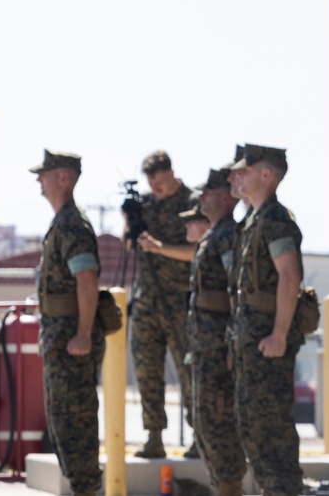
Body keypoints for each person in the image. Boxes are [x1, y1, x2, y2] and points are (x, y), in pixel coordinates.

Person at [227, 144, 305, 496]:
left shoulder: (275, 219)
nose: (236, 176)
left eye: (245, 170)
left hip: (267, 345)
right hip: (249, 344)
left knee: (271, 434)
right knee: (253, 432)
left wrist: (279, 334)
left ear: (266, 174)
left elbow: (289, 276)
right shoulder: (254, 221)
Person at [30, 150, 104, 496]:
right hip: (60, 339)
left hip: (72, 342)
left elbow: (86, 281)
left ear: (64, 178)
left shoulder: (72, 225)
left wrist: (83, 334)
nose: (38, 181)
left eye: (44, 174)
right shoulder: (61, 223)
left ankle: (86, 489)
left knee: (75, 424)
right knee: (62, 423)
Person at [128, 150, 199, 459]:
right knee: (147, 370)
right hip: (147, 300)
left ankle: (200, 435)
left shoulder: (192, 202)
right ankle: (153, 435)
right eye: (150, 181)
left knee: (190, 372)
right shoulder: (146, 204)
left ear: (171, 173)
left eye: (158, 179)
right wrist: (130, 221)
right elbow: (131, 245)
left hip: (181, 300)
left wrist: (160, 248)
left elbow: (199, 250)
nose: (154, 186)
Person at [182, 169, 247, 496]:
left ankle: (229, 488)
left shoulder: (226, 236)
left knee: (218, 426)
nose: (200, 196)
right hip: (204, 348)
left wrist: (232, 345)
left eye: (207, 191)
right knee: (205, 424)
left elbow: (237, 290)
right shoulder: (213, 234)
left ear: (225, 197)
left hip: (219, 349)